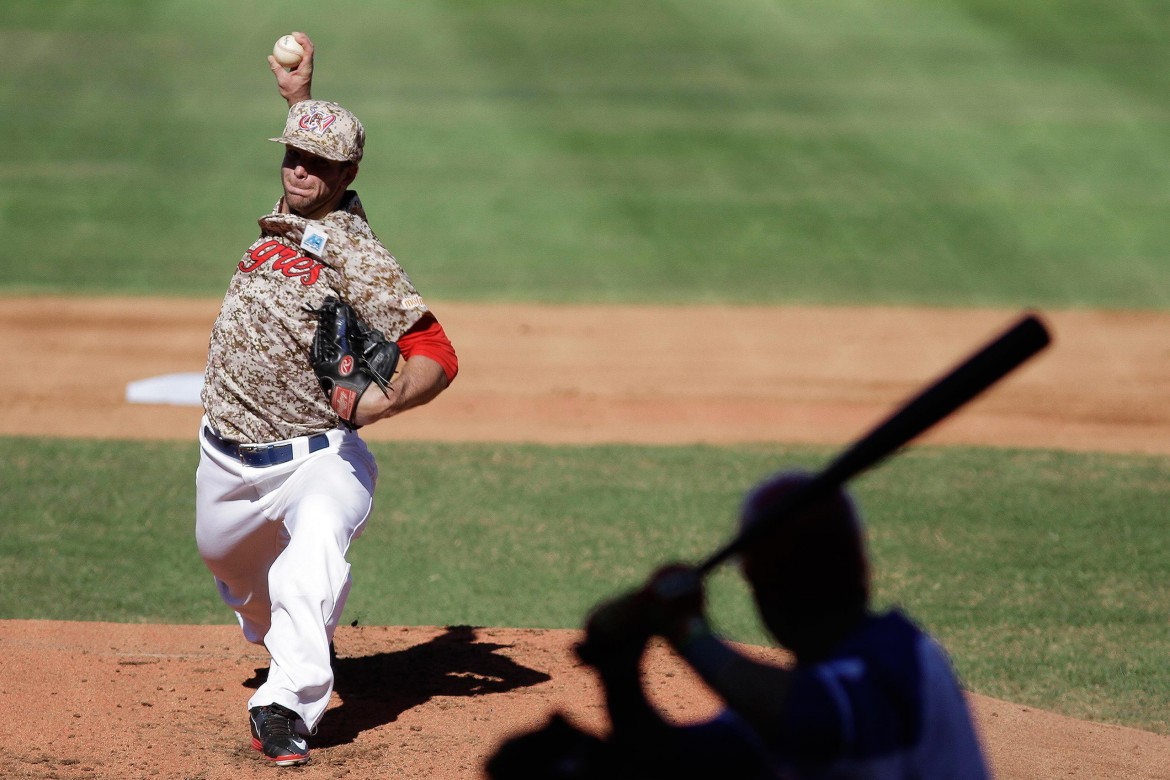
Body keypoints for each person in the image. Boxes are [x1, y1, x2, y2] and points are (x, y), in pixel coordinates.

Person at [195, 32, 458, 766]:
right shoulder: (289, 208)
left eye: (318, 162)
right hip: (224, 454)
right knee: (237, 577)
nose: (300, 170)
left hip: (319, 457)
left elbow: (437, 352)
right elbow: (309, 160)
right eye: (291, 155)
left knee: (309, 564)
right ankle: (278, 634)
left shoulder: (354, 248)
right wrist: (299, 100)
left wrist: (378, 407)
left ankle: (286, 705)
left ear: (347, 173)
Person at [489, 471, 991, 779]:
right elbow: (679, 764)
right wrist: (620, 677)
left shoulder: (901, 661)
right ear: (862, 567)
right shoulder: (800, 691)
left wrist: (688, 634)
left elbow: (811, 719)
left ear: (761, 586)